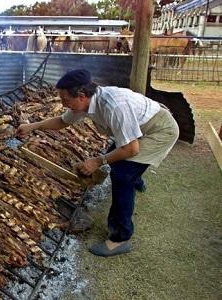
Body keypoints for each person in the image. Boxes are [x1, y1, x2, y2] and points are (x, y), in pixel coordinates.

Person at [16, 69, 179, 257]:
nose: (63, 105)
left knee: (122, 174)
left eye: (66, 100)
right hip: (140, 128)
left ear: (82, 96)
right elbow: (62, 121)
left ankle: (120, 238)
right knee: (117, 158)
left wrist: (97, 161)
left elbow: (131, 149)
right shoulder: (85, 104)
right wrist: (32, 126)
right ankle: (137, 179)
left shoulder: (114, 106)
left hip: (158, 131)